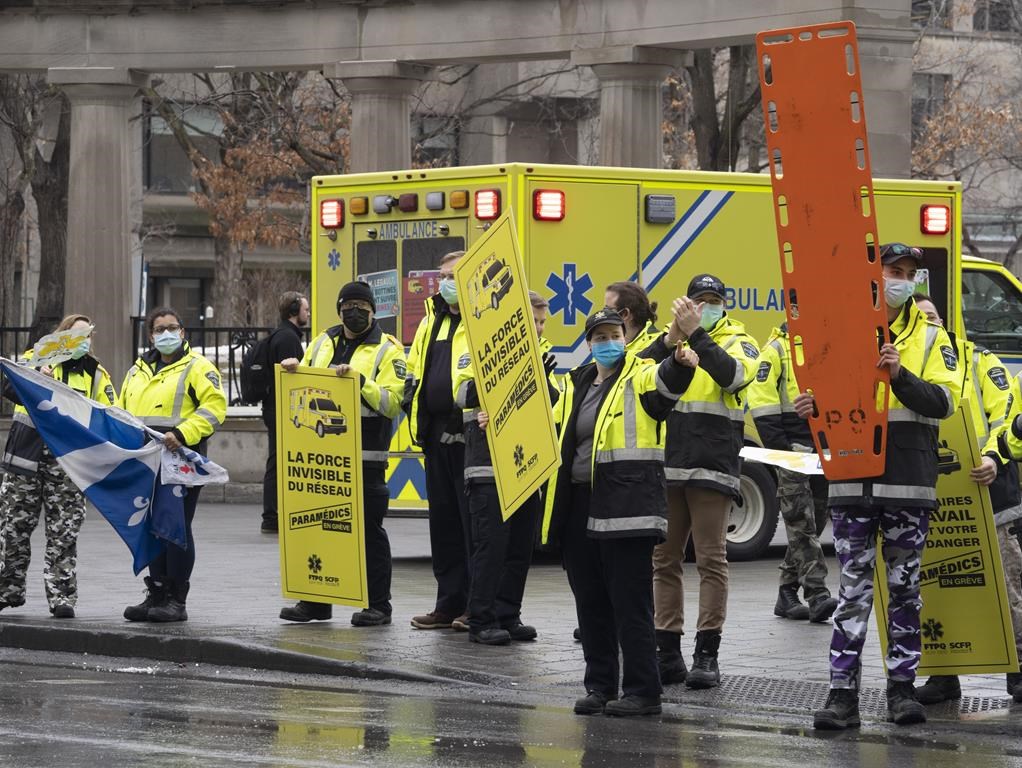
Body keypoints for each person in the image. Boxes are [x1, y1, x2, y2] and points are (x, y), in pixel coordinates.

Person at [808, 243, 959, 729]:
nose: (902, 279)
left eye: (910, 273)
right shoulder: (837, 330)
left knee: (905, 590)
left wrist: (900, 375)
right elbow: (819, 394)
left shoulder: (934, 336)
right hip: (852, 477)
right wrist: (810, 411)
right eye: (893, 270)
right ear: (872, 274)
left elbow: (944, 402)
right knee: (852, 590)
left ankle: (901, 691)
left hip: (906, 482)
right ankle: (841, 697)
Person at [542, 305, 699, 717]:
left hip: (627, 505)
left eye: (614, 335)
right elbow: (549, 428)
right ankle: (600, 687)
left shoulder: (640, 374)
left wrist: (681, 362)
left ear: (625, 338)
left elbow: (667, 385)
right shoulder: (577, 382)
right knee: (590, 601)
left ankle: (644, 691)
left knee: (630, 604)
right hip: (578, 504)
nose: (608, 343)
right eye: (599, 337)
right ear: (588, 343)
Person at [640, 273, 759, 689]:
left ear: (723, 304)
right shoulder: (675, 338)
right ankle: (667, 652)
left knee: (711, 559)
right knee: (664, 560)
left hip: (711, 466)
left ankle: (706, 655)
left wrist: (698, 335)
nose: (705, 305)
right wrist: (672, 337)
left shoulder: (738, 340)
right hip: (668, 464)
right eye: (698, 300)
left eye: (713, 300)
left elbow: (734, 377)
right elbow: (637, 374)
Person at [912, 293, 1022, 704]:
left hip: (989, 491)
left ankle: (1018, 670)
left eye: (934, 318)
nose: (929, 325)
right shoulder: (903, 367)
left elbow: (1005, 415)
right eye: (920, 319)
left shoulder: (978, 360)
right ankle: (943, 675)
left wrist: (993, 455)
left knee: (1009, 587)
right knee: (940, 585)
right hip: (934, 495)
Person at [279, 281, 405, 626]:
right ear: (339, 309)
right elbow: (305, 383)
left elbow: (393, 403)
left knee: (368, 532)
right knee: (319, 527)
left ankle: (379, 605)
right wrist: (293, 373)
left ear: (373, 311)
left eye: (362, 307)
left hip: (366, 458)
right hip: (322, 458)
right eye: (349, 306)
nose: (356, 312)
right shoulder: (322, 342)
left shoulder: (388, 349)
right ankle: (316, 602)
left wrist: (360, 381)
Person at [452, 291, 557, 645]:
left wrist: (539, 380)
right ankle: (481, 619)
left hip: (526, 464)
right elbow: (462, 392)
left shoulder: (543, 353)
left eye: (543, 322)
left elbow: (554, 397)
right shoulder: (481, 347)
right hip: (486, 465)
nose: (540, 329)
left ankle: (508, 615)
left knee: (519, 548)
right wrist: (516, 378)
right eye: (534, 321)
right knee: (491, 545)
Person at [0, 315, 116, 619]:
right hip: (26, 456)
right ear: (61, 335)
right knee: (13, 526)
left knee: (64, 531)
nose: (83, 341)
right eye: (76, 334)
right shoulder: (35, 358)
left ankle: (62, 597)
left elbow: (111, 414)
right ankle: (7, 591)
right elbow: (7, 386)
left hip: (68, 462)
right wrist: (38, 377)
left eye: (88, 335)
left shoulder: (96, 374)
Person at [119, 307, 228, 623]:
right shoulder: (137, 371)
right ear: (151, 336)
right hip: (146, 459)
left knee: (175, 526)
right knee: (154, 527)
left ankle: (176, 599)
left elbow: (214, 408)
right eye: (160, 329)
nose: (167, 333)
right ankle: (158, 594)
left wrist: (182, 433)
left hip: (180, 458)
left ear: (182, 332)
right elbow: (122, 411)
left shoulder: (197, 367)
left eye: (173, 327)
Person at [747, 322, 837, 623]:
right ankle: (817, 593)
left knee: (817, 520)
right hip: (793, 453)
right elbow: (761, 404)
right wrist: (783, 452)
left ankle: (786, 591)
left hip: (825, 450)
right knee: (800, 522)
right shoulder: (775, 350)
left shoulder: (828, 346)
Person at [404, 251, 473, 630]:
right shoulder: (433, 321)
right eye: (443, 276)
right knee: (443, 525)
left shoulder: (482, 321)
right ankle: (447, 604)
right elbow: (415, 372)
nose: (445, 282)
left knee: (471, 526)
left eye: (453, 276)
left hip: (469, 438)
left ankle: (474, 606)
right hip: (435, 439)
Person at [260, 291, 309, 534]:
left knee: (277, 460)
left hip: (274, 407)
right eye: (305, 310)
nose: (308, 314)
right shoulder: (288, 339)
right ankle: (271, 517)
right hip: (283, 408)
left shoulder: (281, 335)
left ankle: (272, 515)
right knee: (279, 461)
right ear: (293, 310)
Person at [605, 281, 662, 355]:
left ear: (625, 314)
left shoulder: (660, 346)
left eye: (608, 310)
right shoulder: (605, 345)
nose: (604, 315)